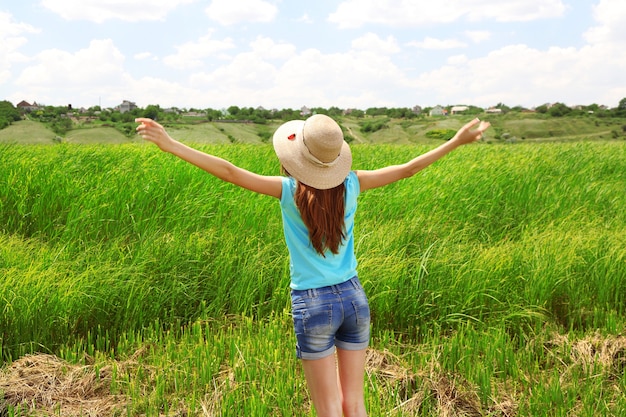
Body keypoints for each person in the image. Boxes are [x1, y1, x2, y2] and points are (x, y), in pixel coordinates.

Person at [135, 114, 490, 417]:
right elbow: (407, 169)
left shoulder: (289, 192)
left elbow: (229, 172)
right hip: (354, 299)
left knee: (329, 409)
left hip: (313, 303)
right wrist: (455, 141)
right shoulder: (353, 183)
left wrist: (171, 143)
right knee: (354, 402)